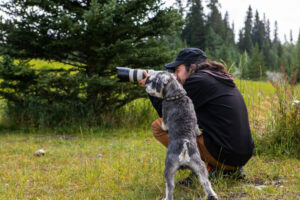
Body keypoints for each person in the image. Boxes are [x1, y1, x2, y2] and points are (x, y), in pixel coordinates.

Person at [139, 48, 254, 184]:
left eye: (178, 70)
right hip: (241, 155)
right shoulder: (216, 77)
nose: (175, 76)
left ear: (191, 67)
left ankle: (207, 170)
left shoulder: (197, 81)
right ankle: (225, 170)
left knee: (158, 127)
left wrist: (150, 86)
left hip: (226, 155)